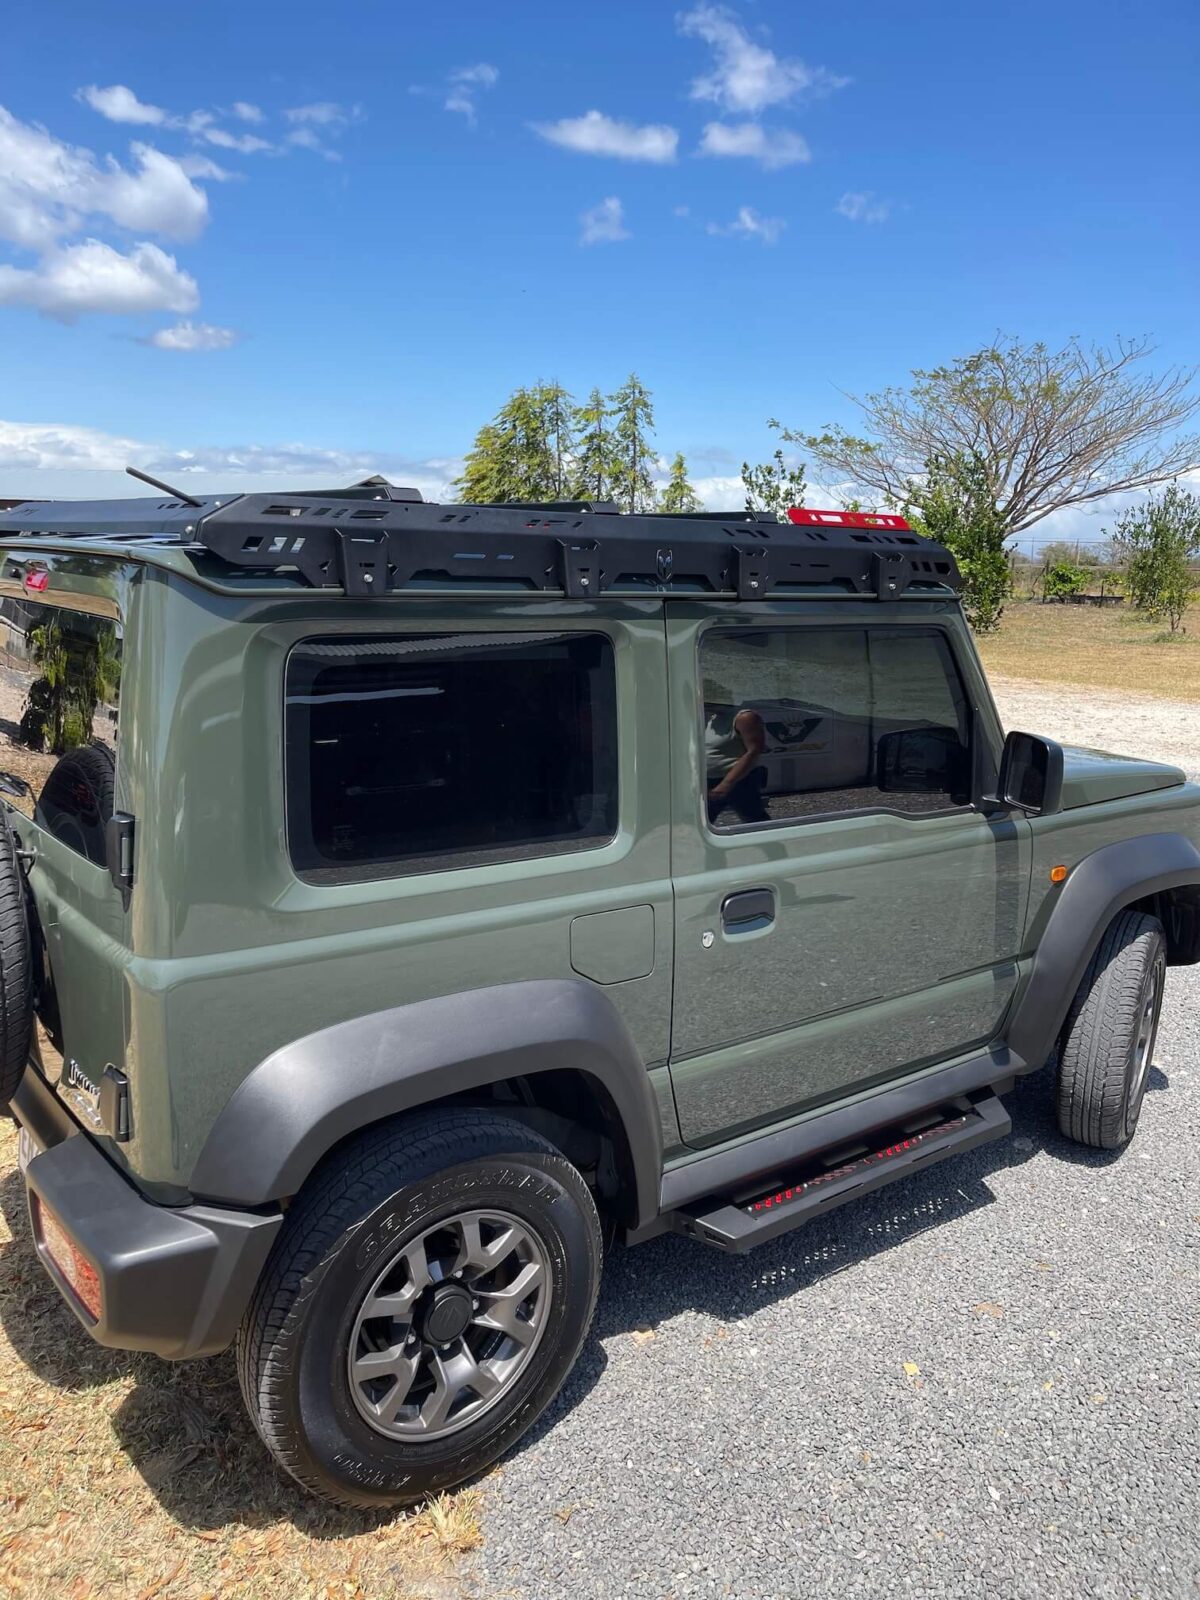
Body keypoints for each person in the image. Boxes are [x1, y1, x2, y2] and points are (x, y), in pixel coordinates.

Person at [704, 703, 768, 824]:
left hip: (738, 781)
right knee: (701, 821)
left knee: (754, 821)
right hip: (711, 780)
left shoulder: (744, 717)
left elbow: (754, 751)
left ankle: (771, 841)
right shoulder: (714, 718)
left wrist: (725, 784)